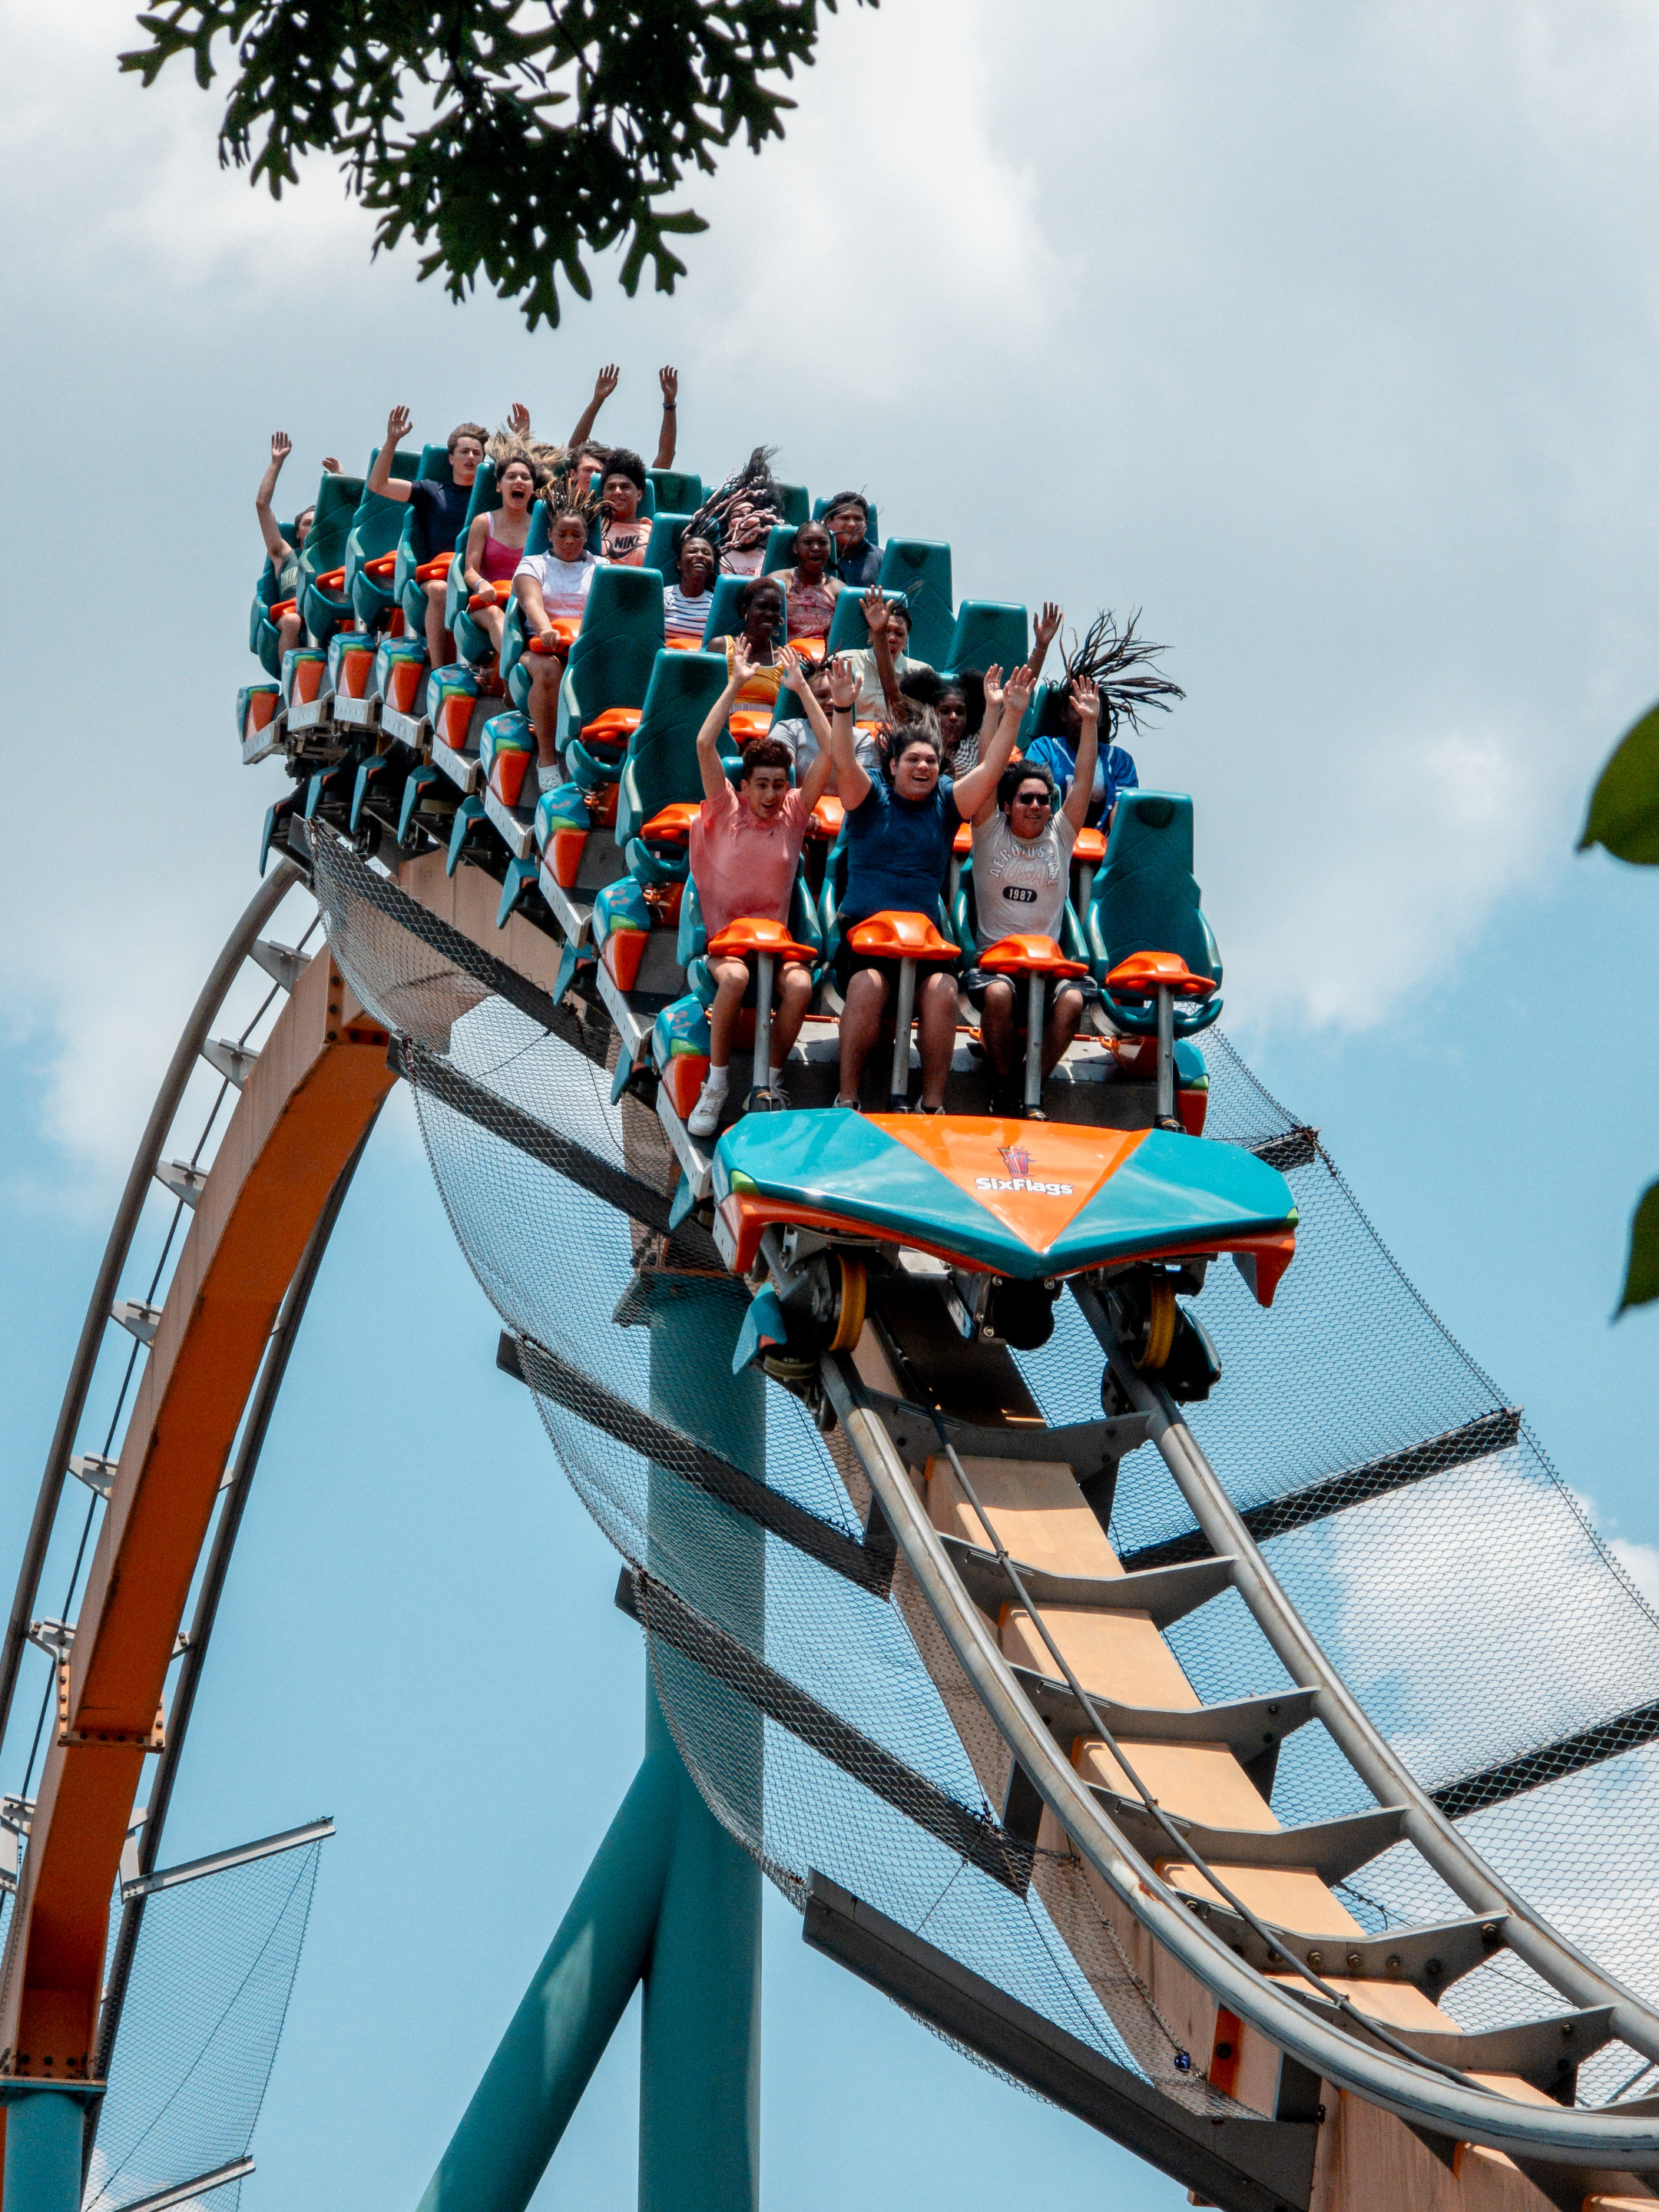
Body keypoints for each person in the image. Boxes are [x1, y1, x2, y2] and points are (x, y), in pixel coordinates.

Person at [826, 657, 1030, 1112]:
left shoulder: (945, 800)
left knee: (941, 993)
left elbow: (993, 771)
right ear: (893, 764)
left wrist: (1011, 714)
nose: (924, 767)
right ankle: (847, 1099)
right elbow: (842, 760)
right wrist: (843, 710)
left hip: (924, 946)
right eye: (914, 760)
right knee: (868, 988)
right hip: (865, 942)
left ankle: (932, 1105)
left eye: (933, 761)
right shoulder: (870, 795)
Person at [687, 643, 835, 1134]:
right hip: (727, 945)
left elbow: (832, 751)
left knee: (799, 983)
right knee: (734, 980)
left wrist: (800, 692)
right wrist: (736, 683)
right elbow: (706, 745)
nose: (771, 796)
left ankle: (766, 1085)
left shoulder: (794, 814)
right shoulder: (726, 809)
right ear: (744, 787)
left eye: (779, 785)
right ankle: (718, 1082)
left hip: (775, 944)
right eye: (762, 786)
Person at [964, 675, 1102, 1115]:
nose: (1036, 807)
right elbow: (987, 766)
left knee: (1076, 1000)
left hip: (1048, 968)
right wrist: (1001, 712)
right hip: (996, 967)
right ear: (1008, 804)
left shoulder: (1060, 835)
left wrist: (1090, 724)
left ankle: (1032, 1083)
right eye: (1026, 798)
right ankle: (1005, 1084)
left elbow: (1082, 782)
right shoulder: (989, 831)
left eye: (1044, 800)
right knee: (1001, 997)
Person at [366, 404, 528, 666]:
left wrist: (522, 437)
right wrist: (392, 440)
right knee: (441, 590)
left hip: (481, 580)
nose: (471, 458)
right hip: (437, 575)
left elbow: (523, 480)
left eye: (477, 453)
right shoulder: (432, 490)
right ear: (451, 458)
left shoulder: (495, 497)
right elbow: (378, 485)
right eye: (464, 452)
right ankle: (439, 669)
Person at [1022, 609, 1183, 826]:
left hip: (1098, 849)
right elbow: (1033, 796)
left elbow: (1120, 816)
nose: (1085, 712)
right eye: (1077, 706)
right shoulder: (1044, 749)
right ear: (1063, 713)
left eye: (1093, 707)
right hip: (1050, 838)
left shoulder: (1119, 761)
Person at [515, 493, 603, 786]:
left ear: (585, 537)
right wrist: (545, 630)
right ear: (550, 535)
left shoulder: (603, 567)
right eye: (561, 535)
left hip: (587, 650)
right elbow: (532, 602)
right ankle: (547, 759)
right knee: (551, 669)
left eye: (575, 535)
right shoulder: (533, 564)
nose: (568, 541)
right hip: (542, 648)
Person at [254, 432, 340, 660]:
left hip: (325, 613)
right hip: (291, 616)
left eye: (316, 524)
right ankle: (291, 676)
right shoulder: (284, 555)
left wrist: (340, 479)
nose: (312, 528)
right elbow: (262, 505)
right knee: (293, 620)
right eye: (307, 524)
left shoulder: (331, 555)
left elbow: (350, 520)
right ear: (298, 532)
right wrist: (276, 463)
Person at [459, 446, 543, 657]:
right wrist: (482, 584)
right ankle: (512, 672)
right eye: (511, 477)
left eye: (525, 478)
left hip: (523, 606)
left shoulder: (540, 528)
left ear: (533, 489)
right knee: (497, 616)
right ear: (499, 486)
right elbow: (469, 571)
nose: (519, 482)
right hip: (488, 603)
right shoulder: (483, 522)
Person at [566, 364, 679, 477]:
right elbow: (575, 449)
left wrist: (669, 403)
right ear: (573, 474)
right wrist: (597, 400)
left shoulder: (615, 491)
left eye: (598, 472)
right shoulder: (566, 490)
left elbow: (666, 456)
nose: (592, 476)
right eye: (588, 470)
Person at [845, 587, 934, 717]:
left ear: (906, 642)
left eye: (899, 633)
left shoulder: (922, 674)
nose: (892, 639)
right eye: (885, 631)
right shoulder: (846, 663)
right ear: (871, 635)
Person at [710, 577, 789, 707]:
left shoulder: (785, 658)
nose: (769, 614)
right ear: (745, 611)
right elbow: (708, 698)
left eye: (775, 609)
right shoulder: (721, 647)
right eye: (762, 606)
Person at [770, 519, 843, 643]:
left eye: (823, 543)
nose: (815, 548)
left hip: (826, 657)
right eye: (808, 542)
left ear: (830, 549)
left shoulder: (838, 590)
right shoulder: (777, 582)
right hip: (784, 655)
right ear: (795, 548)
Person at [598, 448, 653, 565]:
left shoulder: (654, 533)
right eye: (611, 487)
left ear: (639, 494)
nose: (617, 492)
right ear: (603, 494)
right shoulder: (592, 529)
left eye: (625, 487)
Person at [663, 532, 718, 642]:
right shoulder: (664, 596)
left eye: (706, 553)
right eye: (692, 551)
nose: (700, 556)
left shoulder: (716, 605)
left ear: (712, 567)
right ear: (679, 564)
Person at [821, 492, 882, 586]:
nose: (852, 524)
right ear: (828, 523)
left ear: (865, 525)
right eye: (845, 518)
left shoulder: (882, 559)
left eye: (858, 519)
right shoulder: (815, 554)